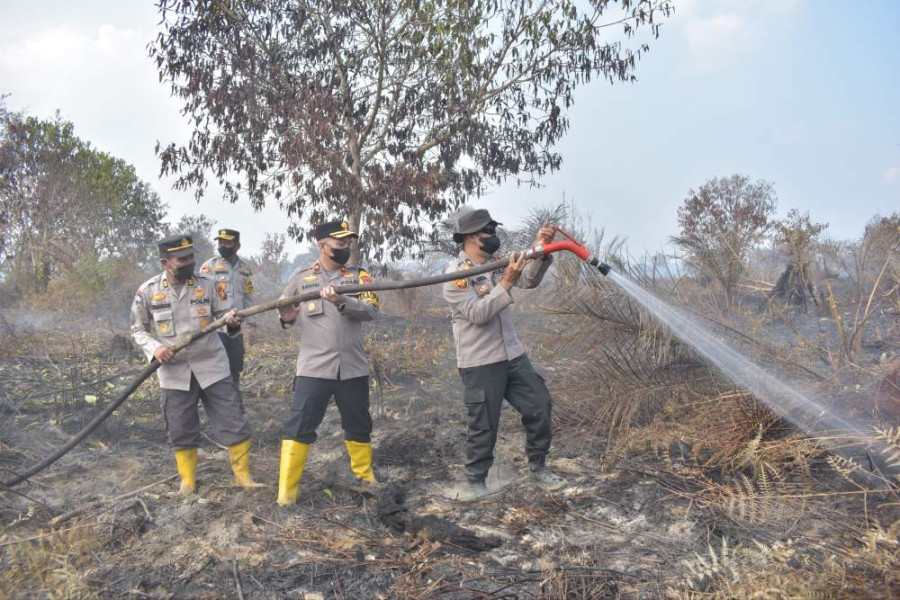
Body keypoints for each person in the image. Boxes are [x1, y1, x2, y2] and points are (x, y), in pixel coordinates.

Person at [442, 209, 566, 492]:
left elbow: (529, 280)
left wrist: (542, 250)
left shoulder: (495, 264)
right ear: (471, 237)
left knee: (539, 404)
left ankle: (538, 467)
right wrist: (506, 282)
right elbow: (477, 314)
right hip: (480, 362)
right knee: (484, 425)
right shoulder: (455, 277)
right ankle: (476, 482)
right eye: (489, 232)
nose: (494, 237)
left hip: (512, 355)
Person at [130, 234, 262, 494]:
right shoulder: (148, 291)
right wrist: (155, 348)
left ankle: (243, 477)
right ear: (165, 262)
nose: (190, 261)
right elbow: (137, 329)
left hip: (212, 365)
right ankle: (188, 482)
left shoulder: (208, 284)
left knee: (234, 421)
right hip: (174, 371)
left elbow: (224, 315)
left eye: (191, 256)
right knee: (180, 427)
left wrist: (231, 321)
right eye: (183, 258)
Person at [275, 219, 380, 507]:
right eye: (340, 243)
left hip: (352, 367)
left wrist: (343, 301)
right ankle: (286, 493)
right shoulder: (300, 277)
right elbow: (286, 315)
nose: (346, 247)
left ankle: (365, 477)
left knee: (359, 424)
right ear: (323, 246)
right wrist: (285, 313)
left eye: (348, 243)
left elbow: (372, 310)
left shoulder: (360, 276)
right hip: (313, 369)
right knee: (299, 427)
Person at [201, 228, 255, 404]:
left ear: (237, 246)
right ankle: (216, 403)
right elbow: (200, 297)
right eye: (220, 242)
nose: (222, 246)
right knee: (216, 369)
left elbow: (248, 297)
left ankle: (234, 402)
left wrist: (253, 324)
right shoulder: (209, 267)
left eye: (227, 242)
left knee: (235, 368)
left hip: (236, 329)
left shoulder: (245, 269)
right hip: (216, 328)